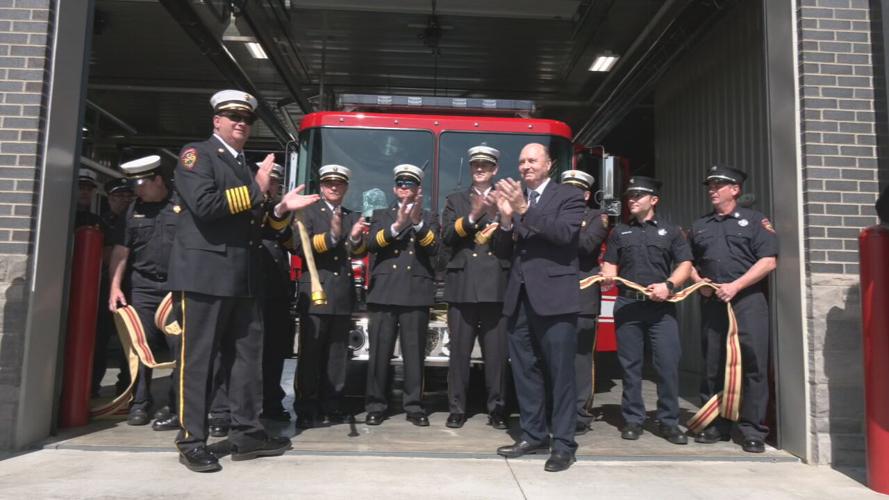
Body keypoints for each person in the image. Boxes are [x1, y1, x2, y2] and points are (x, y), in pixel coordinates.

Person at [166, 89, 319, 472]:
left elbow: (262, 225)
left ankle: (247, 433)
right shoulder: (197, 155)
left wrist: (281, 207)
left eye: (247, 119)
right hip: (205, 276)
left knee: (247, 362)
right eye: (232, 116)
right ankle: (192, 439)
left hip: (243, 278)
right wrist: (258, 187)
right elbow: (206, 206)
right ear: (216, 120)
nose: (241, 123)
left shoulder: (243, 167)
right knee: (198, 361)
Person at [494, 143, 585, 473]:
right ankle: (533, 435)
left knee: (560, 375)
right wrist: (506, 220)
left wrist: (524, 209)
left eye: (532, 160)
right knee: (525, 371)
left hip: (555, 298)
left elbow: (565, 235)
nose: (525, 166)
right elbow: (504, 252)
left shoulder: (569, 197)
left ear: (549, 165)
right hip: (519, 298)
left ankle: (563, 444)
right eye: (521, 161)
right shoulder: (518, 200)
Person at [689, 165, 778, 453]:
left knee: (752, 364)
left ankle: (752, 430)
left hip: (748, 301)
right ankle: (716, 425)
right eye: (710, 186)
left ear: (735, 190)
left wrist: (736, 286)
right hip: (714, 301)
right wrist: (698, 282)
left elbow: (768, 261)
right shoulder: (701, 225)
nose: (712, 190)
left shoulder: (754, 221)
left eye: (719, 185)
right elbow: (687, 261)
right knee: (714, 363)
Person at [600, 176, 693, 446]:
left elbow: (685, 264)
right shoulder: (619, 233)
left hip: (661, 308)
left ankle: (669, 422)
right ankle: (633, 420)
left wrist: (669, 285)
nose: (632, 200)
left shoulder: (671, 231)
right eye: (630, 195)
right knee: (630, 367)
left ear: (653, 200)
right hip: (628, 305)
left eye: (638, 195)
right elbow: (610, 265)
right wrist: (607, 276)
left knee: (667, 365)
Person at [107, 155, 180, 430]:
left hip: (175, 290)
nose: (136, 191)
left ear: (158, 180)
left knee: (179, 348)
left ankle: (175, 405)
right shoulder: (133, 210)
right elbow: (121, 251)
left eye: (140, 184)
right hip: (143, 289)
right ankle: (139, 403)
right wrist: (114, 286)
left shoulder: (182, 205)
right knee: (140, 347)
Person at [440, 146, 511, 430]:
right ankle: (457, 408)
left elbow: (511, 244)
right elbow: (446, 237)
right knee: (458, 353)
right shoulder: (455, 199)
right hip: (463, 285)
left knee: (496, 354)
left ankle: (498, 408)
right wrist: (473, 215)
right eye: (476, 165)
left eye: (486, 165)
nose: (480, 169)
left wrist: (504, 217)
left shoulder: (507, 199)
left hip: (496, 285)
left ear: (495, 169)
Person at [364, 164, 440, 427]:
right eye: (401, 184)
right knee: (379, 354)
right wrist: (397, 226)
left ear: (418, 189)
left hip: (415, 293)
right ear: (394, 188)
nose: (405, 189)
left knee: (414, 354)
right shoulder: (381, 215)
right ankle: (376, 405)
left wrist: (417, 223)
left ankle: (414, 405)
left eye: (410, 185)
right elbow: (371, 244)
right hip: (384, 292)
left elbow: (435, 250)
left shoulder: (429, 217)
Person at [293, 164, 367, 427]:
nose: (334, 187)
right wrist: (333, 237)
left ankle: (332, 403)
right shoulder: (307, 212)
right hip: (316, 290)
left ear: (346, 187)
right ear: (322, 186)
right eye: (328, 183)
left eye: (339, 183)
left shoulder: (351, 215)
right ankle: (306, 407)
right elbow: (300, 246)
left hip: (342, 294)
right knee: (311, 355)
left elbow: (357, 254)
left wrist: (355, 238)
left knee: (337, 355)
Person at [560, 169, 609, 434]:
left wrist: (558, 232)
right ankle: (555, 408)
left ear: (587, 194)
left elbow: (587, 246)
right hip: (553, 293)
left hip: (582, 294)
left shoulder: (596, 218)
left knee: (580, 358)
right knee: (554, 355)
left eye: (576, 190)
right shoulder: (552, 215)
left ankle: (580, 413)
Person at [257, 162, 299, 422]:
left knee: (274, 352)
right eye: (269, 181)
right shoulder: (247, 206)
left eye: (276, 183)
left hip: (276, 290)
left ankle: (271, 402)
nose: (272, 187)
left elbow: (293, 245)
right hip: (249, 292)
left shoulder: (281, 213)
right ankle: (227, 410)